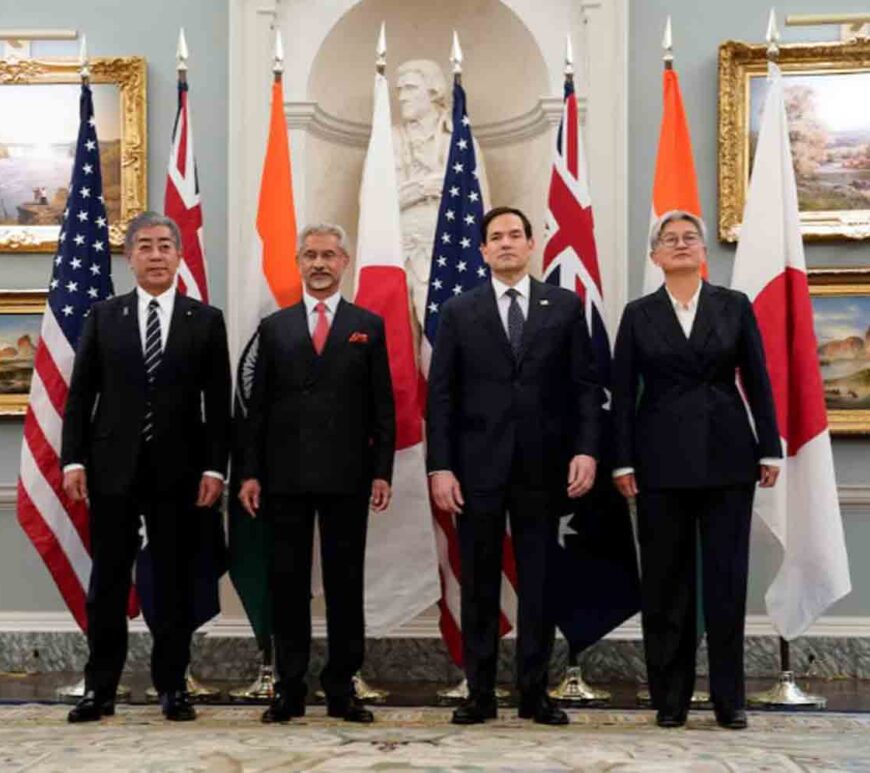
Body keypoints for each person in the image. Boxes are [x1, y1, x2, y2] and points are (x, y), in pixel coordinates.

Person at [426, 206, 602, 725]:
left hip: (543, 470)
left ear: (532, 245)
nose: (505, 243)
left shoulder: (564, 307)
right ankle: (479, 692)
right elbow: (441, 398)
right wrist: (441, 467)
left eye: (515, 236)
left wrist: (586, 450)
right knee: (478, 583)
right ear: (482, 250)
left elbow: (586, 390)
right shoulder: (459, 310)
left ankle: (533, 692)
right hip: (475, 471)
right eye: (495, 237)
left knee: (539, 584)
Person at [611, 210, 782, 731]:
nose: (681, 245)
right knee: (666, 584)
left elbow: (757, 377)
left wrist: (768, 448)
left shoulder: (733, 306)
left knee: (726, 582)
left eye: (690, 238)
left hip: (729, 458)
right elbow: (621, 396)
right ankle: (671, 697)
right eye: (671, 239)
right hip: (658, 462)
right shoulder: (637, 314)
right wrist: (621, 458)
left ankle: (731, 698)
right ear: (655, 255)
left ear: (703, 252)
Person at [62, 211, 231, 723]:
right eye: (145, 247)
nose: (156, 255)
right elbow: (80, 396)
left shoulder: (204, 319)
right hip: (111, 469)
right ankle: (100, 690)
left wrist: (214, 469)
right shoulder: (103, 316)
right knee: (108, 582)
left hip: (180, 473)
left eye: (164, 246)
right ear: (130, 256)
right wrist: (73, 459)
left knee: (174, 581)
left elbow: (218, 403)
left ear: (179, 256)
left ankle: (172, 687)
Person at [238, 223, 395, 725]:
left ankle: (342, 687)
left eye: (329, 255)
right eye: (310, 255)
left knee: (346, 585)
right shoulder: (275, 327)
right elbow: (255, 410)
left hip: (349, 477)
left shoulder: (367, 324)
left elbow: (383, 409)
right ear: (298, 262)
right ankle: (289, 686)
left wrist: (381, 472)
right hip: (284, 477)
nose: (320, 263)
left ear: (345, 261)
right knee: (288, 585)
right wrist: (250, 473)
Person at [393, 59, 489, 338]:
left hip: (452, 251)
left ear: (433, 90)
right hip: (398, 251)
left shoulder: (460, 139)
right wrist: (423, 188)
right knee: (397, 340)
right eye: (399, 90)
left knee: (448, 334)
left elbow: (482, 205)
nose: (401, 96)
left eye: (410, 88)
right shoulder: (389, 139)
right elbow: (374, 203)